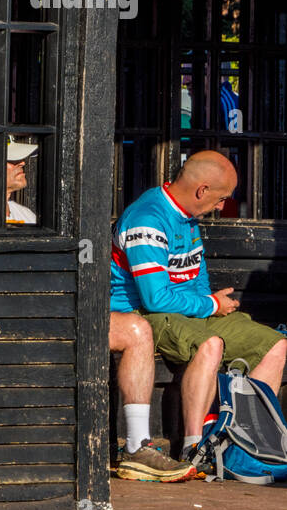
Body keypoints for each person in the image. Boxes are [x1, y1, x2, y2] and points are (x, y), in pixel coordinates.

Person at [111, 150, 287, 473]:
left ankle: (242, 441)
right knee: (212, 345)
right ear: (202, 190)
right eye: (221, 199)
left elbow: (197, 274)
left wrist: (213, 303)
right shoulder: (148, 219)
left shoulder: (189, 217)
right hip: (146, 314)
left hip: (192, 311)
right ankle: (198, 448)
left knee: (275, 345)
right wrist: (211, 305)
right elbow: (156, 300)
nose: (222, 207)